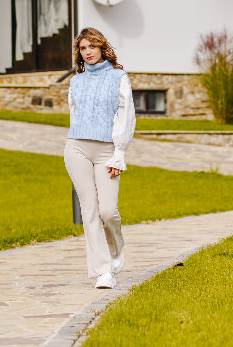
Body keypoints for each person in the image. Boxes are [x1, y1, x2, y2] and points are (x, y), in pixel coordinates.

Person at [63, 27, 136, 289]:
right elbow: (75, 115)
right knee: (90, 209)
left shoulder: (119, 77)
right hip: (77, 148)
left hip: (107, 150)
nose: (88, 52)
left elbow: (126, 116)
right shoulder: (75, 81)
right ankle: (103, 271)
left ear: (102, 47)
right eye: (83, 48)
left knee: (108, 211)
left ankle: (116, 249)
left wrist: (119, 154)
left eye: (92, 46)